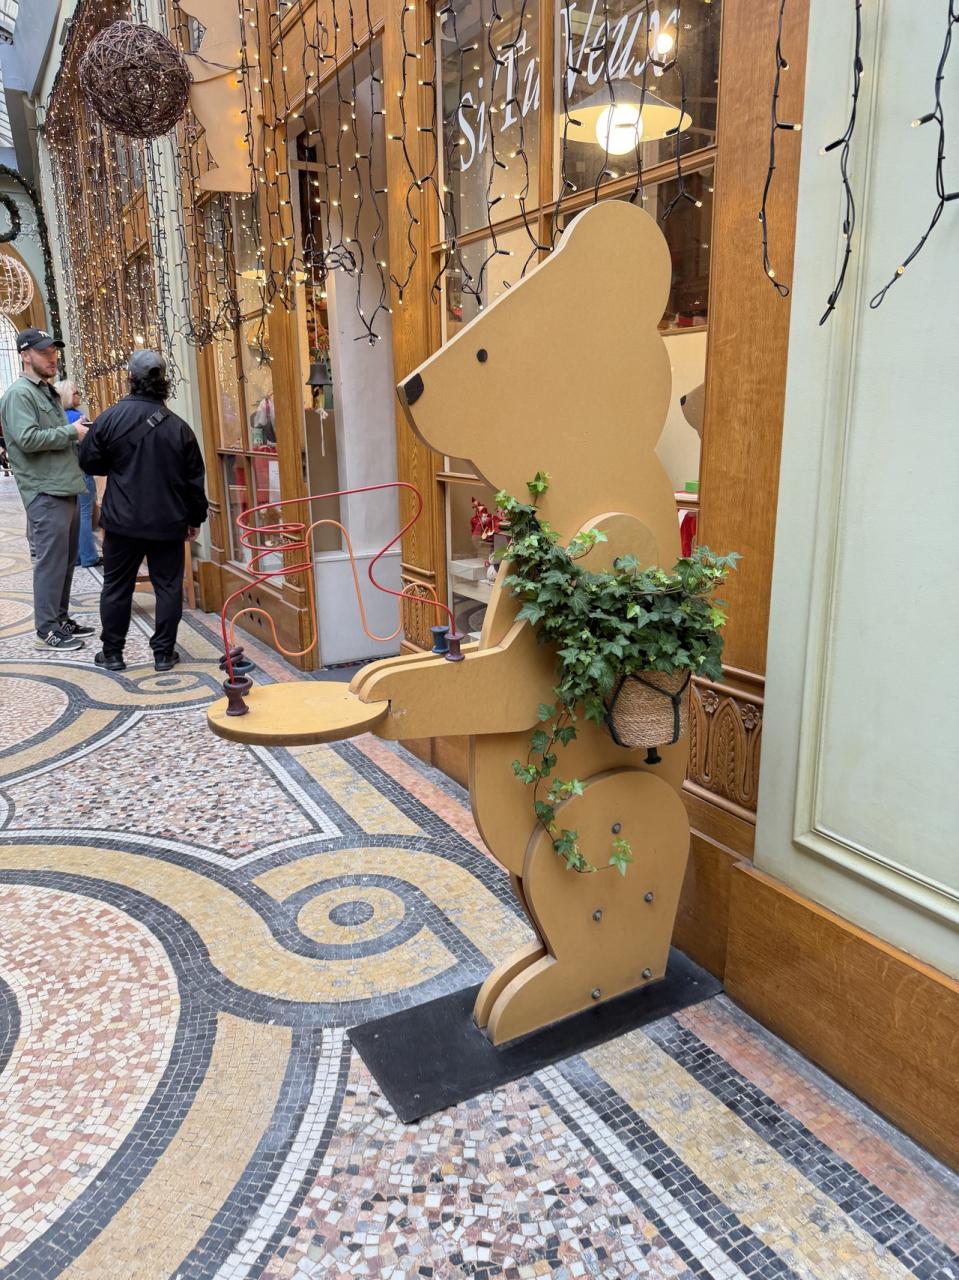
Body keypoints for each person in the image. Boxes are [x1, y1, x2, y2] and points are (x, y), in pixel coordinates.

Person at [79, 349, 208, 672]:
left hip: (122, 521)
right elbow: (194, 481)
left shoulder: (108, 418)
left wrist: (119, 466)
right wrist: (195, 518)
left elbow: (90, 463)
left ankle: (113, 653)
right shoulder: (179, 428)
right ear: (163, 382)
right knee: (168, 587)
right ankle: (163, 654)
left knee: (116, 585)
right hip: (168, 521)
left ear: (130, 379)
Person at [0, 328, 94, 651]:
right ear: (25, 355)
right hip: (45, 491)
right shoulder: (19, 395)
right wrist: (71, 432)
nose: (52, 357)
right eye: (44, 352)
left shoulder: (46, 391)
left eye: (53, 351)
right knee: (50, 563)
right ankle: (47, 628)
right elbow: (26, 439)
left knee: (65, 561)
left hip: (65, 485)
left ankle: (60, 618)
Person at [55, 379, 101, 568]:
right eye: (75, 393)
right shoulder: (78, 417)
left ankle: (78, 556)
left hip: (65, 473)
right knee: (84, 515)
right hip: (82, 471)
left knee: (73, 517)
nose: (79, 395)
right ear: (67, 396)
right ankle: (89, 556)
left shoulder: (57, 418)